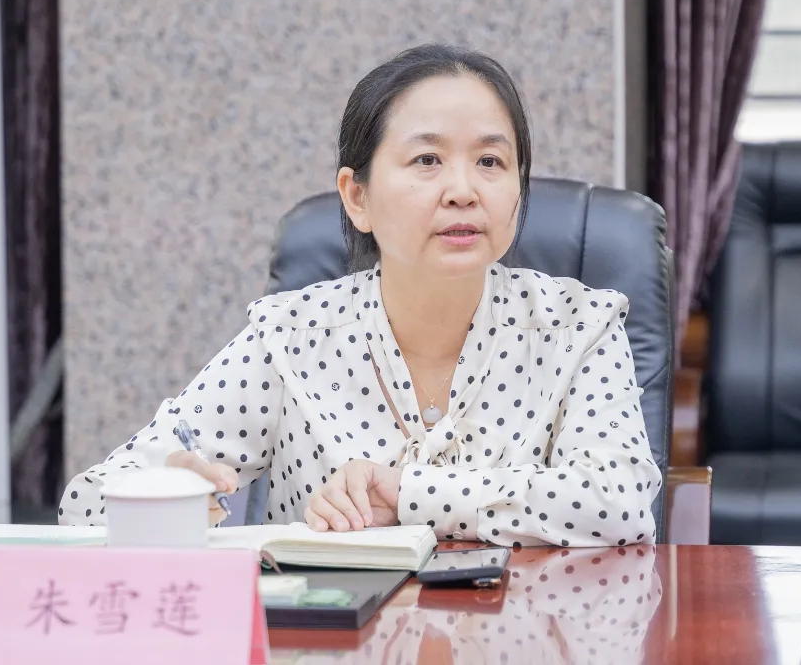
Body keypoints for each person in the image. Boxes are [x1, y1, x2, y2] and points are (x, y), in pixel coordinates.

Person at [60, 43, 662, 547]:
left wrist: (409, 494)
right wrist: (167, 492)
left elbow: (622, 502)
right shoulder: (293, 337)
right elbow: (85, 508)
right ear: (357, 197)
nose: (463, 189)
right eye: (427, 159)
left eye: (490, 161)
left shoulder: (580, 326)